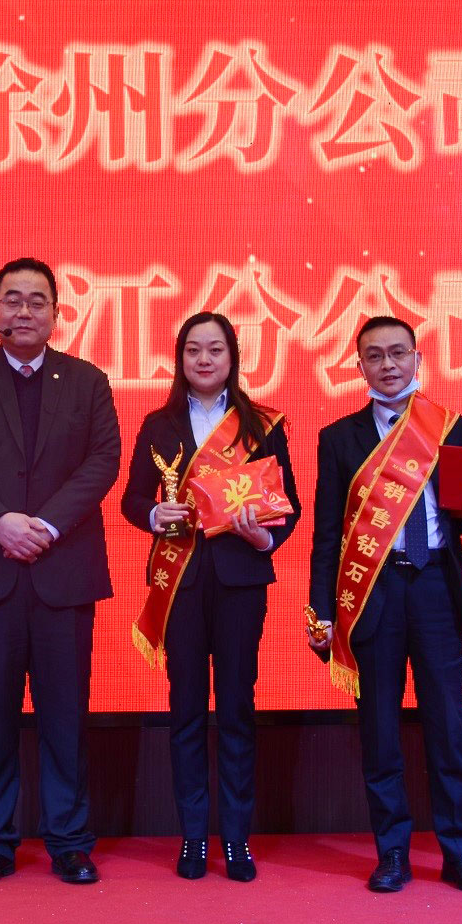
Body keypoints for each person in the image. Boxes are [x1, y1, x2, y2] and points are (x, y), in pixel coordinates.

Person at [0, 257, 121, 886]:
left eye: (38, 300)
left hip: (63, 571)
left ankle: (70, 841)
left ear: (57, 314)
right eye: (11, 299)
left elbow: (103, 461)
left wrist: (46, 526)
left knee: (66, 715)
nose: (24, 310)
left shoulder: (87, 381)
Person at [307, 316, 462, 894]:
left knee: (448, 728)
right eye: (374, 356)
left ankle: (459, 853)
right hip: (374, 594)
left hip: (435, 587)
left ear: (418, 359)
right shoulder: (338, 438)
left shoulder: (450, 426)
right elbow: (327, 534)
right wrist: (320, 611)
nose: (387, 365)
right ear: (358, 366)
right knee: (379, 729)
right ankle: (392, 852)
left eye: (397, 353)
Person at [120, 312, 299, 882]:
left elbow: (289, 506)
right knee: (187, 709)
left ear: (232, 357)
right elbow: (131, 500)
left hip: (241, 580)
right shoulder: (159, 423)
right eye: (193, 349)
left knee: (238, 708)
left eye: (215, 349)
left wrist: (263, 537)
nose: (204, 359)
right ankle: (194, 836)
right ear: (179, 358)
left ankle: (237, 839)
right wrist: (155, 514)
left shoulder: (261, 424)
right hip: (182, 582)